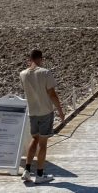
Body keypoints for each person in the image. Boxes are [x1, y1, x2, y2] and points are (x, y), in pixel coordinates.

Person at [19, 49, 65, 184]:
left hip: (32, 112)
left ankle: (27, 171)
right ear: (40, 59)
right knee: (43, 144)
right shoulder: (45, 72)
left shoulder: (23, 74)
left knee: (34, 139)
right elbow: (52, 94)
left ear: (30, 59)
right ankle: (39, 174)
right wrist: (60, 111)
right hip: (45, 112)